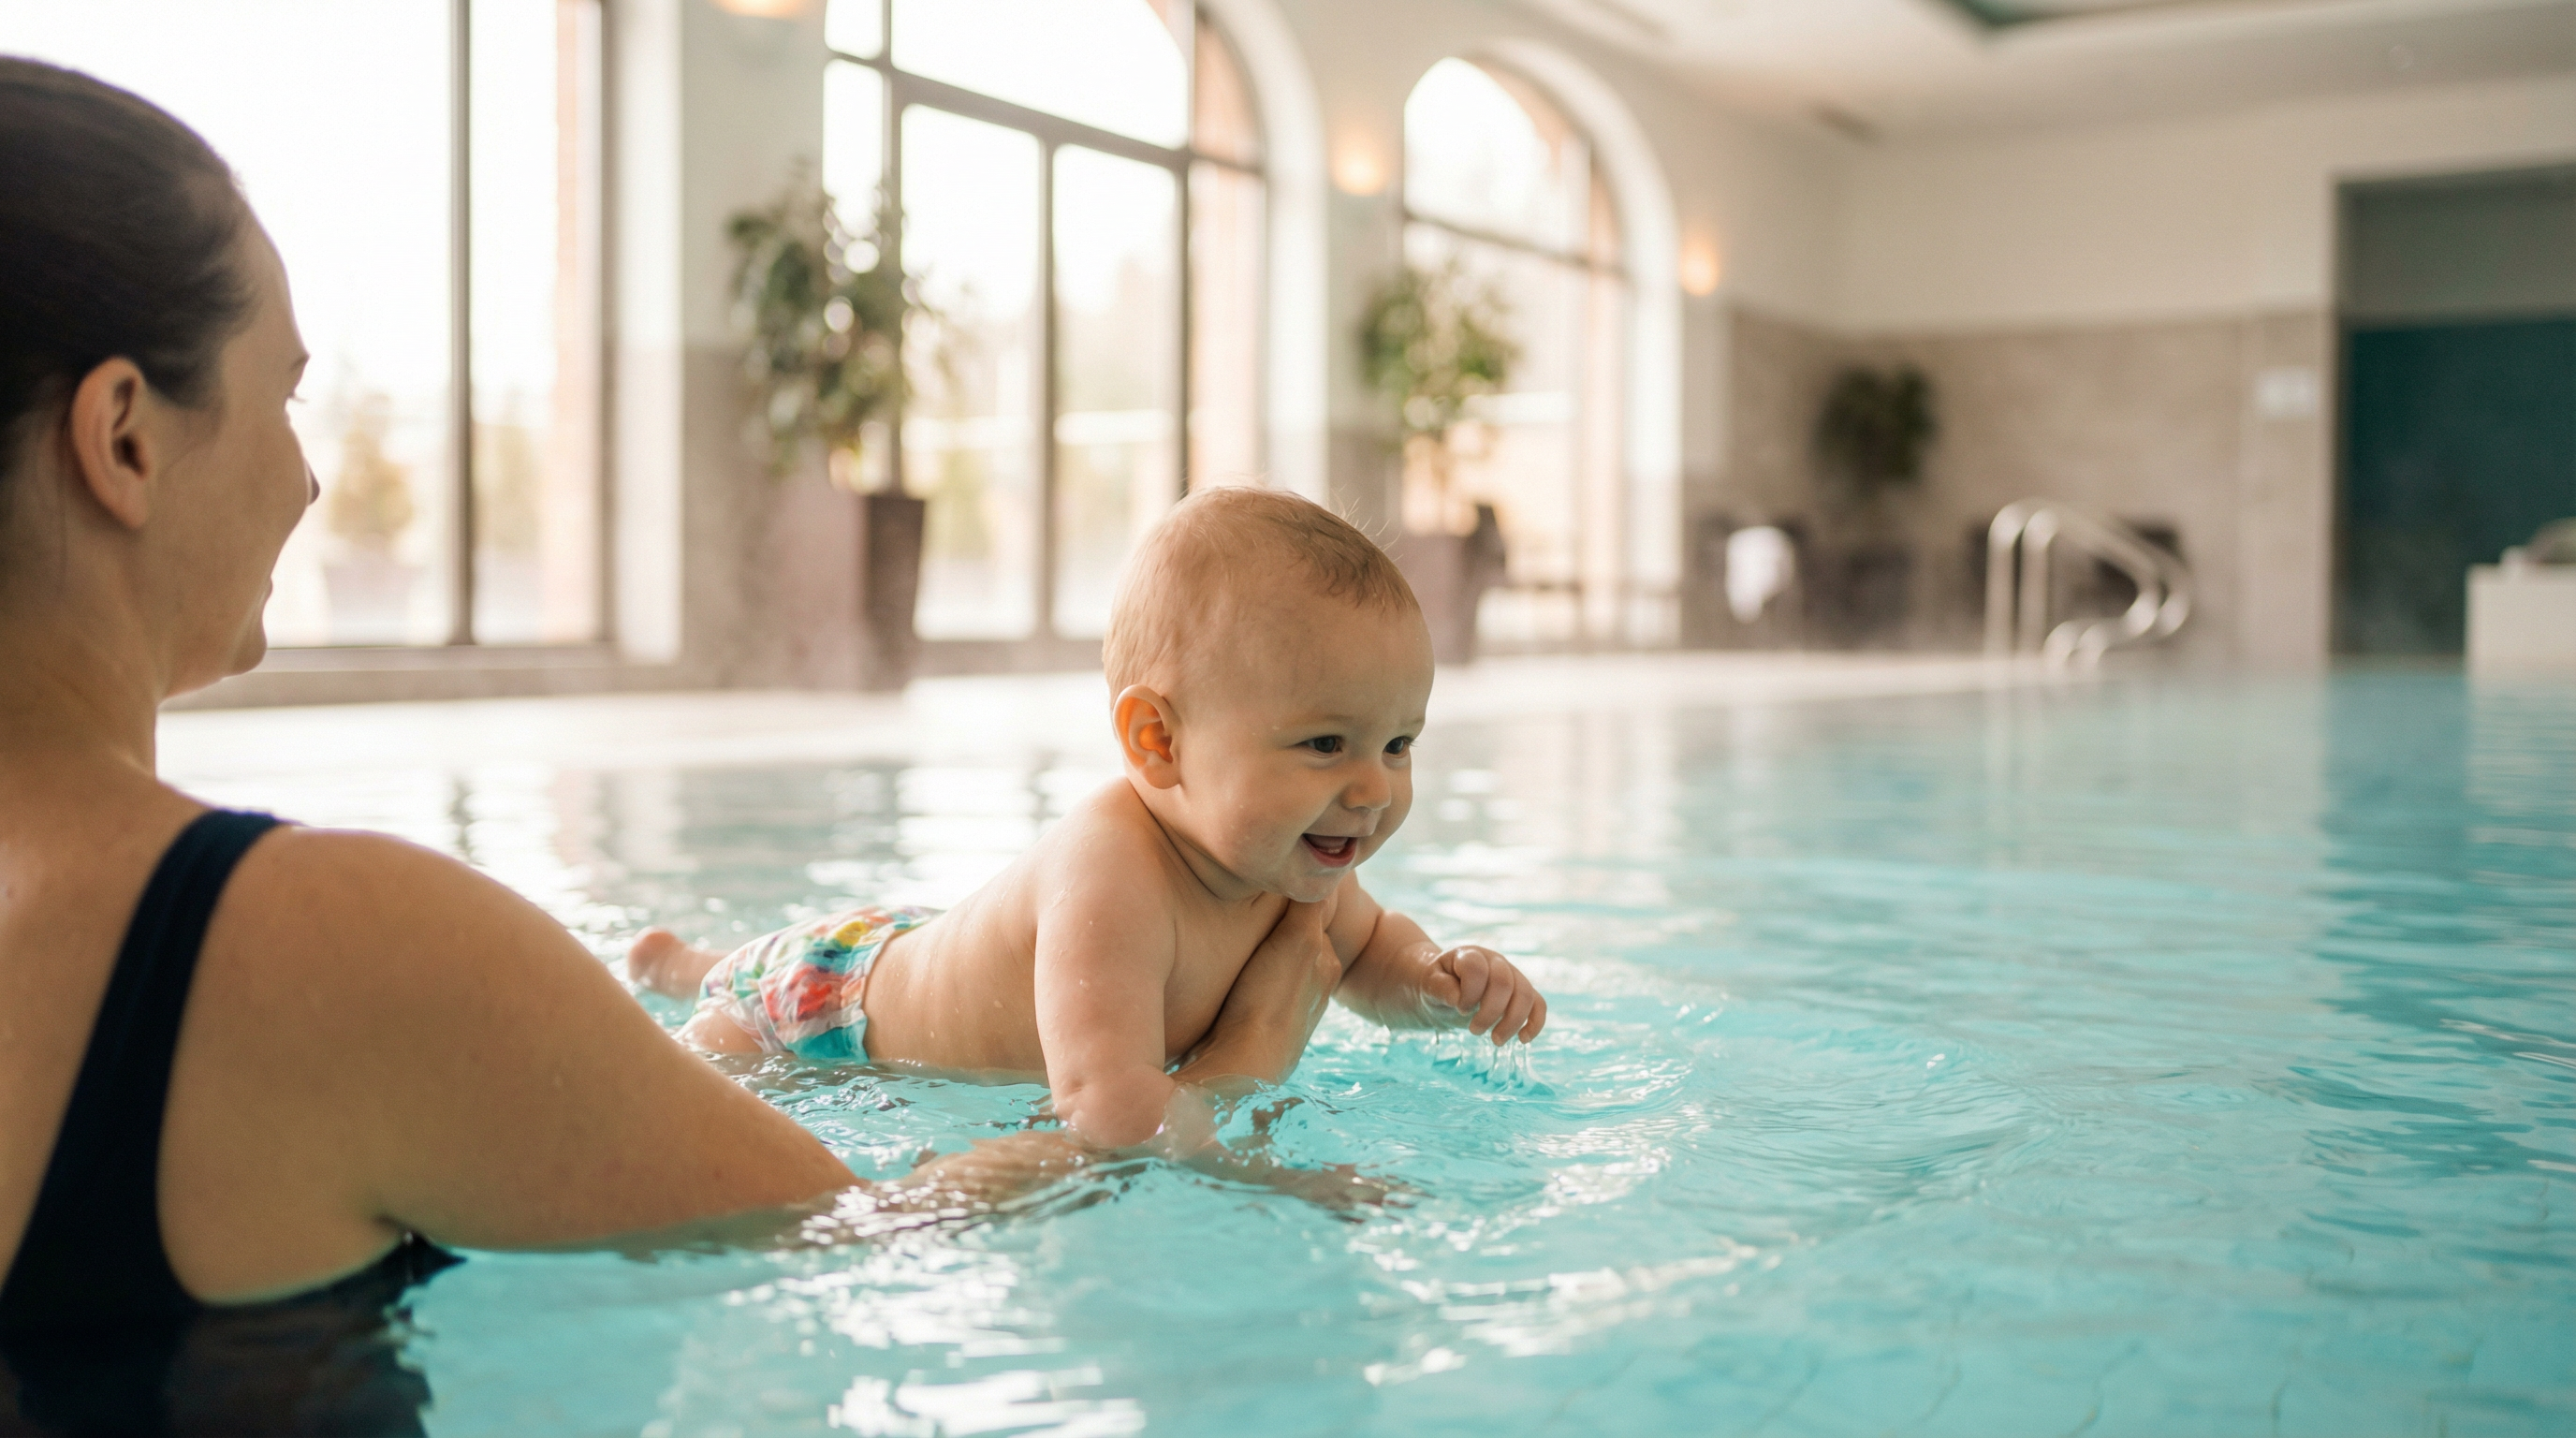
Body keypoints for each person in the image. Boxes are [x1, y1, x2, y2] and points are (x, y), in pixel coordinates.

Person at [0, 55, 1346, 1415]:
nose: (309, 474)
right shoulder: (317, 946)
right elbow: (866, 1235)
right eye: (286, 397)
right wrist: (1231, 1076)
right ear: (122, 437)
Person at [630, 487, 1551, 1151]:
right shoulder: (1113, 879)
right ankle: (689, 971)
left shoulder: (1293, 855)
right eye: (1323, 745)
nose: (1373, 790)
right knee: (693, 1058)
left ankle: (691, 962)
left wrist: (1436, 982)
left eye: (1398, 745)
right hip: (819, 1012)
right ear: (1158, 741)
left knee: (881, 944)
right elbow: (1110, 1115)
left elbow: (1370, 950)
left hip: (911, 946)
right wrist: (1272, 1164)